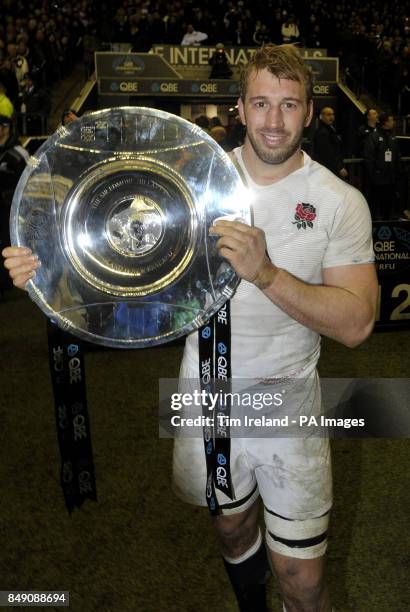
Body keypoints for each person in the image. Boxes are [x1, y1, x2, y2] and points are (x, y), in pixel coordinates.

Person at [2, 45, 378, 612]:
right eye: (261, 104)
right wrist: (45, 270)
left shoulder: (338, 201)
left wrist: (267, 274)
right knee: (231, 530)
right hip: (204, 397)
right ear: (240, 107)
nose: (274, 122)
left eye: (289, 105)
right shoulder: (186, 182)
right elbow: (119, 274)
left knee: (300, 578)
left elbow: (357, 324)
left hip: (289, 403)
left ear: (308, 111)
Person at [363, 112, 401, 220]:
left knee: (388, 205)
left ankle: (387, 225)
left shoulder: (393, 137)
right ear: (385, 122)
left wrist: (397, 172)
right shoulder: (374, 136)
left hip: (391, 178)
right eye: (391, 120)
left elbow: (397, 156)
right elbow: (369, 157)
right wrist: (374, 175)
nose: (393, 122)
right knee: (374, 205)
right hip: (377, 179)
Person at [311, 107, 349, 180]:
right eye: (328, 115)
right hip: (327, 170)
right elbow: (327, 153)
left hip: (330, 169)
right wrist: (339, 167)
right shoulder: (322, 132)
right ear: (321, 116)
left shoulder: (330, 129)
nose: (331, 117)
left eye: (332, 114)